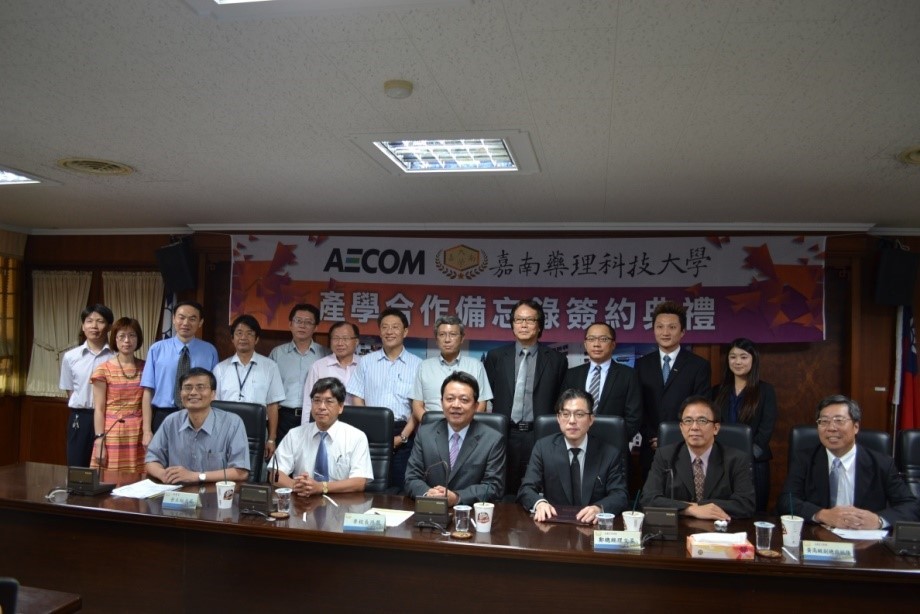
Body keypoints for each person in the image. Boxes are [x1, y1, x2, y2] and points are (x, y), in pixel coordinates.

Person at [778, 395, 919, 528]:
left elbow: (911, 506)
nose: (831, 428)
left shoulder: (882, 463)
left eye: (839, 421)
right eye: (824, 421)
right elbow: (787, 501)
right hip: (819, 537)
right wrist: (822, 514)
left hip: (866, 543)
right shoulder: (805, 460)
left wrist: (878, 520)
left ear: (856, 427)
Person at [484, 299, 567, 496]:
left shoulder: (556, 360)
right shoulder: (496, 357)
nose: (523, 324)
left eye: (529, 320)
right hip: (504, 433)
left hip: (539, 435)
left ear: (540, 326)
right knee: (503, 488)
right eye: (518, 319)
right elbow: (489, 395)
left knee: (537, 487)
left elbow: (560, 400)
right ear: (512, 324)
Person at [517, 389, 628, 523]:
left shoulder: (610, 453)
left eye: (579, 414)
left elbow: (620, 495)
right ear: (558, 418)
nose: (572, 421)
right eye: (565, 414)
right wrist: (539, 503)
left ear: (591, 419)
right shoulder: (543, 448)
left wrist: (599, 508)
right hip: (554, 527)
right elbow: (526, 488)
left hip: (592, 526)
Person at [640, 396, 755, 520]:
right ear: (681, 427)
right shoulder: (665, 455)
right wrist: (690, 509)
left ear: (716, 428)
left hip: (720, 532)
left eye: (702, 421)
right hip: (678, 530)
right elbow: (648, 499)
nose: (694, 427)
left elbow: (745, 504)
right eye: (688, 421)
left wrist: (700, 507)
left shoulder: (737, 459)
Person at [635, 300, 711, 479]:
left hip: (686, 447)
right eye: (659, 327)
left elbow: (702, 408)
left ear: (682, 331)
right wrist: (652, 437)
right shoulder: (642, 365)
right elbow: (637, 406)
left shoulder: (698, 366)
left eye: (672, 327)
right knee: (651, 501)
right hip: (650, 448)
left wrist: (672, 437)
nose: (665, 332)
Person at [348, 308, 422, 491]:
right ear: (379, 331)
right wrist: (365, 431)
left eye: (395, 327)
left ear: (405, 331)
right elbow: (358, 399)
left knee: (401, 488)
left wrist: (403, 437)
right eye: (385, 327)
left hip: (405, 433)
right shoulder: (366, 362)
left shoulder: (419, 365)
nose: (389, 332)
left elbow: (417, 407)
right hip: (370, 434)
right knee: (370, 488)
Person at [405, 371, 505, 505]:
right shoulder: (425, 434)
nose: (456, 405)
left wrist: (457, 497)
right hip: (430, 511)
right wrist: (429, 494)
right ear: (441, 402)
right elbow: (411, 478)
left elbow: (493, 487)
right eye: (450, 399)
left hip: (470, 515)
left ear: (476, 406)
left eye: (464, 400)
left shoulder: (493, 439)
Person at [145, 368, 250, 484]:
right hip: (178, 495)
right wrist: (164, 475)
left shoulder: (232, 423)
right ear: (180, 394)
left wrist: (197, 476)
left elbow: (241, 472)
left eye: (201, 387)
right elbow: (151, 459)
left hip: (216, 495)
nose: (193, 392)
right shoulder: (171, 422)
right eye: (188, 388)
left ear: (213, 394)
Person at [272, 377, 373, 496]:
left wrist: (321, 487)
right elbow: (274, 473)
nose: (321, 407)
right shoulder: (294, 434)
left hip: (341, 504)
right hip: (303, 501)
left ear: (340, 407)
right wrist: (297, 486)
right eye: (317, 400)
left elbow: (359, 482)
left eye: (329, 401)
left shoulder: (356, 437)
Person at [711, 338, 776, 512]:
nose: (737, 362)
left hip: (753, 462)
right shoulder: (717, 391)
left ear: (753, 360)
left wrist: (745, 456)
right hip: (720, 462)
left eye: (743, 357)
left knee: (752, 511)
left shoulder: (765, 391)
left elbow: (765, 429)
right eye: (733, 357)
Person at [141, 300, 218, 442]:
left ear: (200, 322)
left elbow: (214, 391)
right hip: (163, 414)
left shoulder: (210, 351)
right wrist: (146, 430)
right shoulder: (156, 349)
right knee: (163, 461)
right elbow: (147, 391)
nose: (186, 323)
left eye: (192, 318)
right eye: (181, 317)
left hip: (198, 414)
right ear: (174, 319)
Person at [213, 314, 285, 459]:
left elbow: (272, 405)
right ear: (232, 338)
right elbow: (214, 405)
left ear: (256, 339)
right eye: (239, 333)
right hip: (226, 429)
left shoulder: (270, 367)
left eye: (249, 334)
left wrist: (271, 438)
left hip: (257, 430)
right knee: (226, 471)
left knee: (256, 472)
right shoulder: (220, 369)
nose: (243, 337)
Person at [561, 322, 641, 441]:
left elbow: (634, 417)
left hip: (614, 447)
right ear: (585, 344)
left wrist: (616, 440)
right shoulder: (572, 375)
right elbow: (563, 410)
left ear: (613, 344)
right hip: (577, 443)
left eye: (603, 339)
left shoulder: (628, 375)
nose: (596, 344)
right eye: (591, 339)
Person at [60, 304, 114, 466]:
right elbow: (70, 391)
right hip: (80, 418)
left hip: (109, 418)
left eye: (100, 321)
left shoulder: (116, 357)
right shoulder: (70, 357)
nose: (94, 326)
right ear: (83, 326)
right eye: (89, 321)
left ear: (109, 326)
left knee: (105, 468)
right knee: (77, 467)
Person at [411, 315, 493, 422]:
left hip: (466, 431)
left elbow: (481, 404)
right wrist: (432, 428)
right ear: (436, 339)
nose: (447, 340)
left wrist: (463, 427)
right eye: (442, 335)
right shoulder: (424, 366)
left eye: (453, 334)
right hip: (431, 431)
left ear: (462, 338)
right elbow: (417, 405)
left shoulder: (476, 366)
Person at [90, 317, 146, 472]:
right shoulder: (103, 369)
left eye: (132, 335)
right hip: (113, 431)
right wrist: (99, 439)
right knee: (110, 482)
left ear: (138, 338)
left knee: (138, 482)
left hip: (139, 431)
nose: (127, 341)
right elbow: (99, 409)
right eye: (122, 336)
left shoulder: (146, 367)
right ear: (115, 339)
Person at [269, 304, 330, 445]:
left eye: (308, 322)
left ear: (316, 328)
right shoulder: (277, 353)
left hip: (315, 415)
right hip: (284, 417)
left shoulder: (325, 354)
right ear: (290, 324)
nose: (302, 326)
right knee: (283, 462)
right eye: (298, 321)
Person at [303, 321, 361, 420]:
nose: (340, 343)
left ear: (356, 341)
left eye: (345, 338)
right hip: (327, 422)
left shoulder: (364, 365)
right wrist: (306, 431)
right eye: (335, 338)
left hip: (359, 420)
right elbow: (309, 403)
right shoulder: (318, 366)